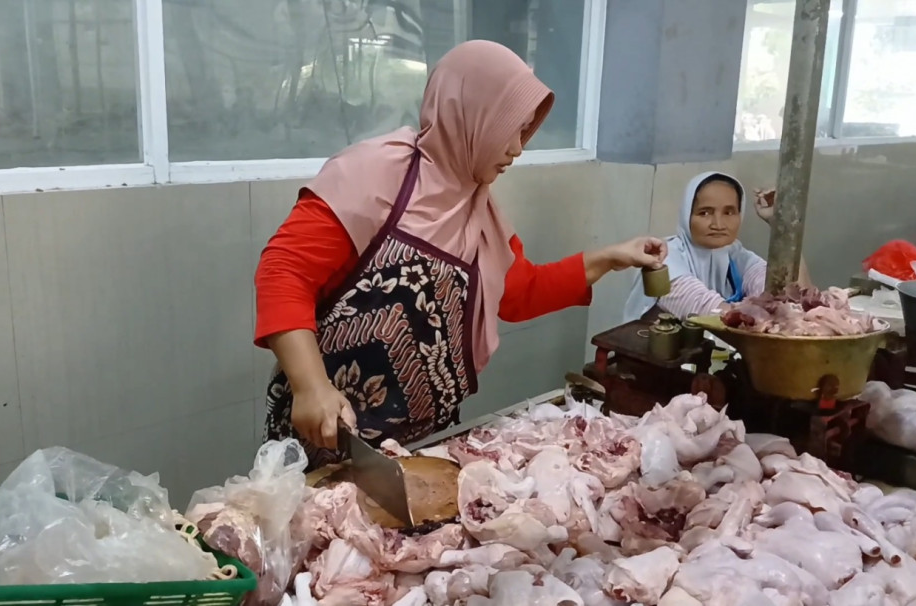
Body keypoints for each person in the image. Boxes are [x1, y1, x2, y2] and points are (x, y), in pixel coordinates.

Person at [254, 40, 668, 469]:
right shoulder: (378, 175)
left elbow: (518, 292)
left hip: (418, 449)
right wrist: (310, 386)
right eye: (508, 127)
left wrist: (609, 258)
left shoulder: (480, 211)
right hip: (324, 434)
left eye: (525, 130)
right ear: (470, 116)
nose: (517, 148)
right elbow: (283, 271)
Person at [623, 171, 811, 322]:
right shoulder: (664, 257)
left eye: (729, 212)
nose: (718, 224)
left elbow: (792, 294)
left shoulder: (735, 254)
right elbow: (710, 310)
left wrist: (780, 224)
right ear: (687, 215)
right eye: (705, 213)